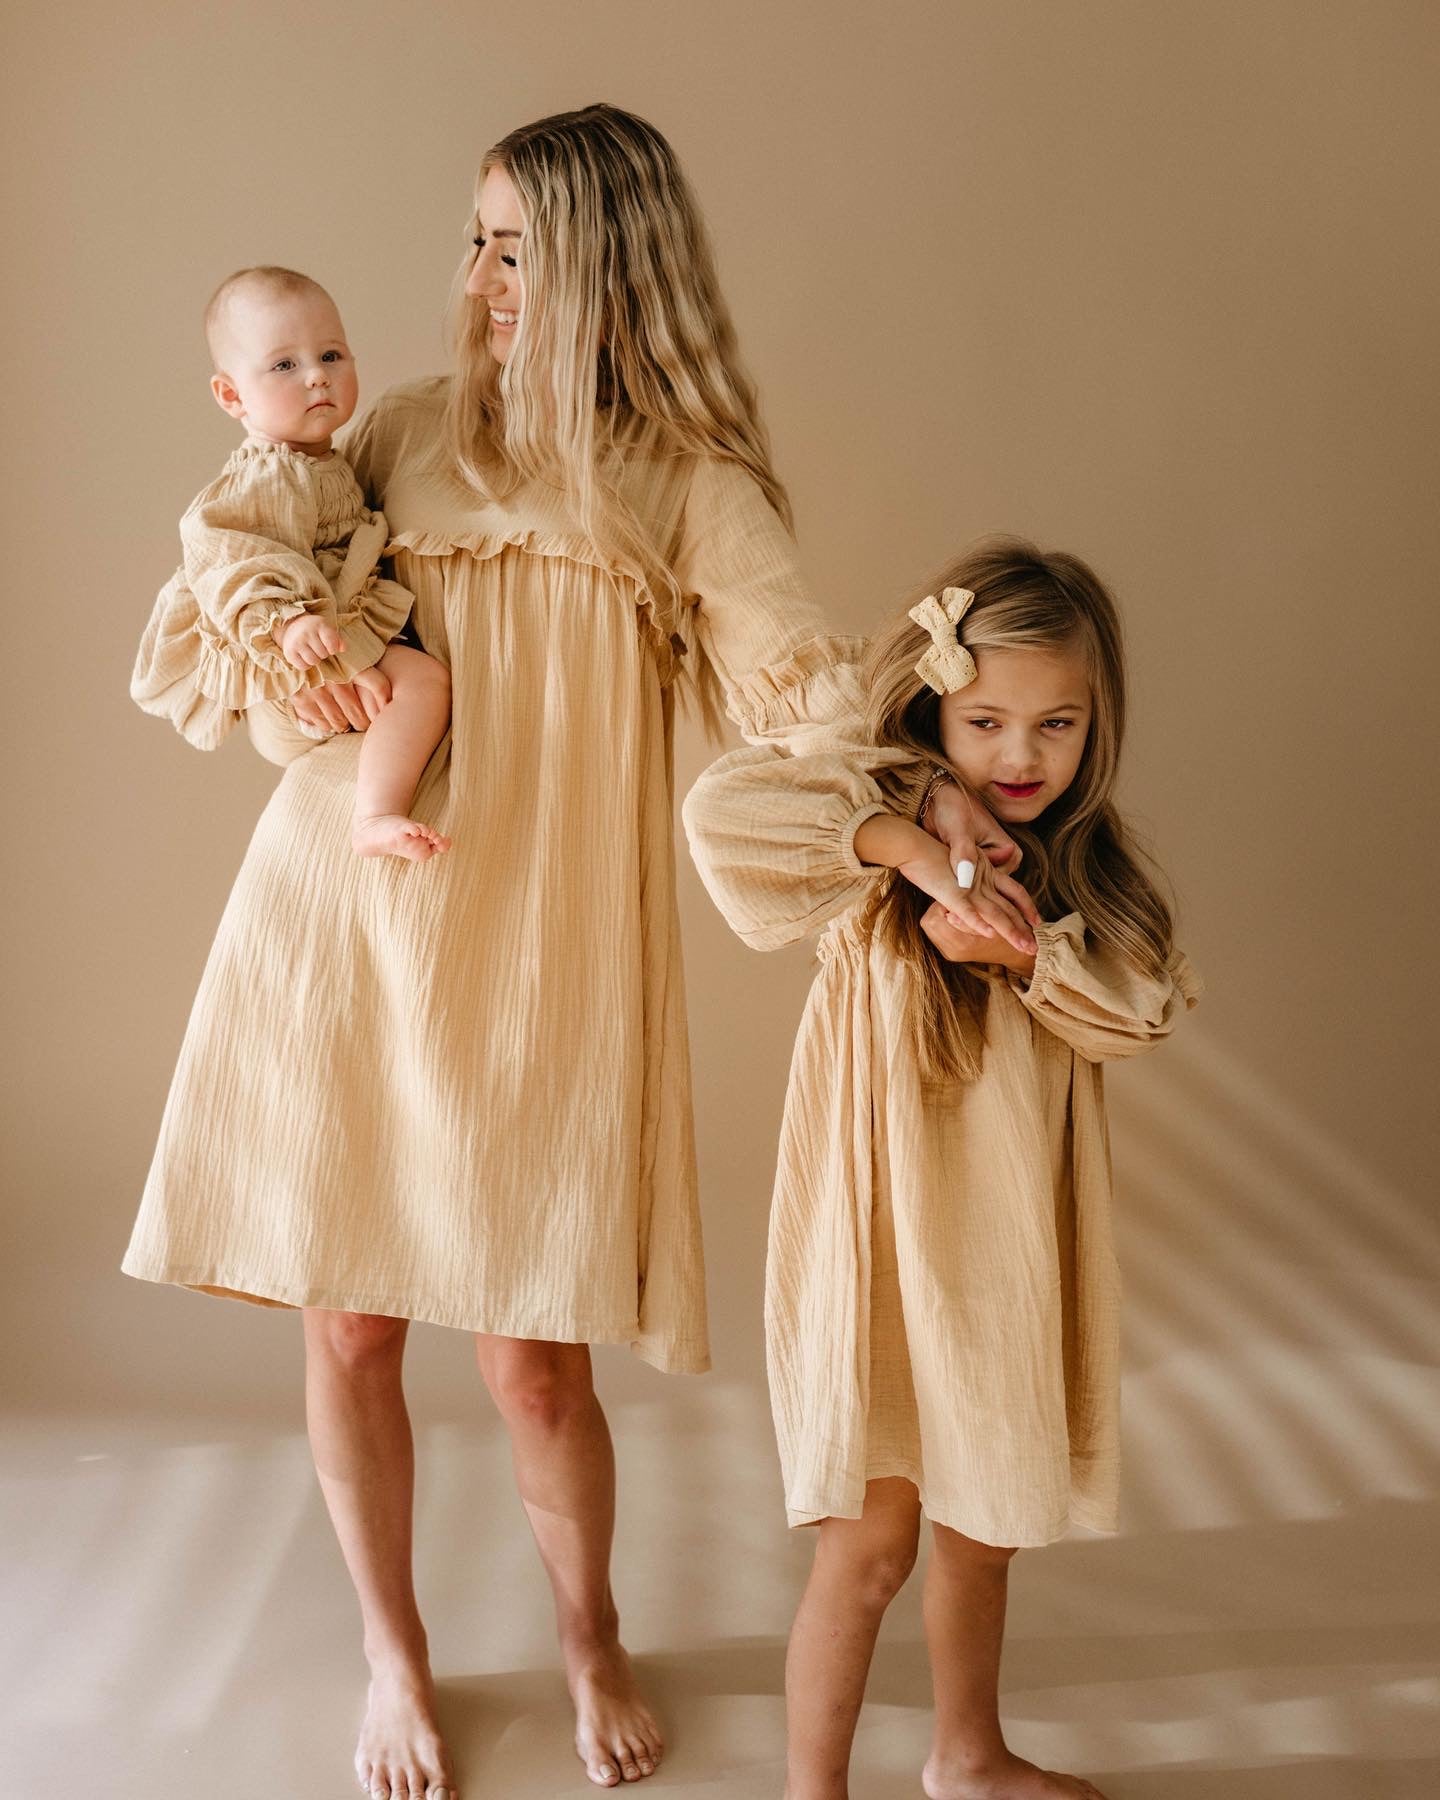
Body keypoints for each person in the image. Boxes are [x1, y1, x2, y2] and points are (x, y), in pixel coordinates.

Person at [122, 104, 1003, 1799]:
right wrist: (292, 649)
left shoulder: (688, 484)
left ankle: (587, 1628)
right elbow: (226, 579)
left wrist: (928, 798)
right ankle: (398, 1652)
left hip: (546, 950)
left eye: (515, 247)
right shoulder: (385, 436)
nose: (477, 279)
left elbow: (799, 694)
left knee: (535, 1365)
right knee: (352, 1332)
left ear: (608, 261)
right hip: (351, 916)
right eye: (475, 239)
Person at [683, 538, 1201, 1800]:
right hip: (876, 1251)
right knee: (866, 1550)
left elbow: (1144, 1008)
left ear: (1097, 725)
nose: (1020, 756)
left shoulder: (1091, 876)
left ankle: (967, 1755)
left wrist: (1026, 956)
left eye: (1056, 724)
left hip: (1001, 1260)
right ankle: (815, 1791)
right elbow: (721, 815)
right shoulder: (871, 840)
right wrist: (912, 840)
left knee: (984, 1533)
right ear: (934, 706)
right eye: (985, 722)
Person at [131, 265, 452, 861]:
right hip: (292, 666)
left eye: (332, 354)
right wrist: (285, 622)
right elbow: (228, 558)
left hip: (324, 648)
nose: (316, 376)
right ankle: (375, 816)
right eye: (284, 365)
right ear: (231, 395)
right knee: (425, 684)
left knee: (408, 689)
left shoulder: (327, 462)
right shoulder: (267, 474)